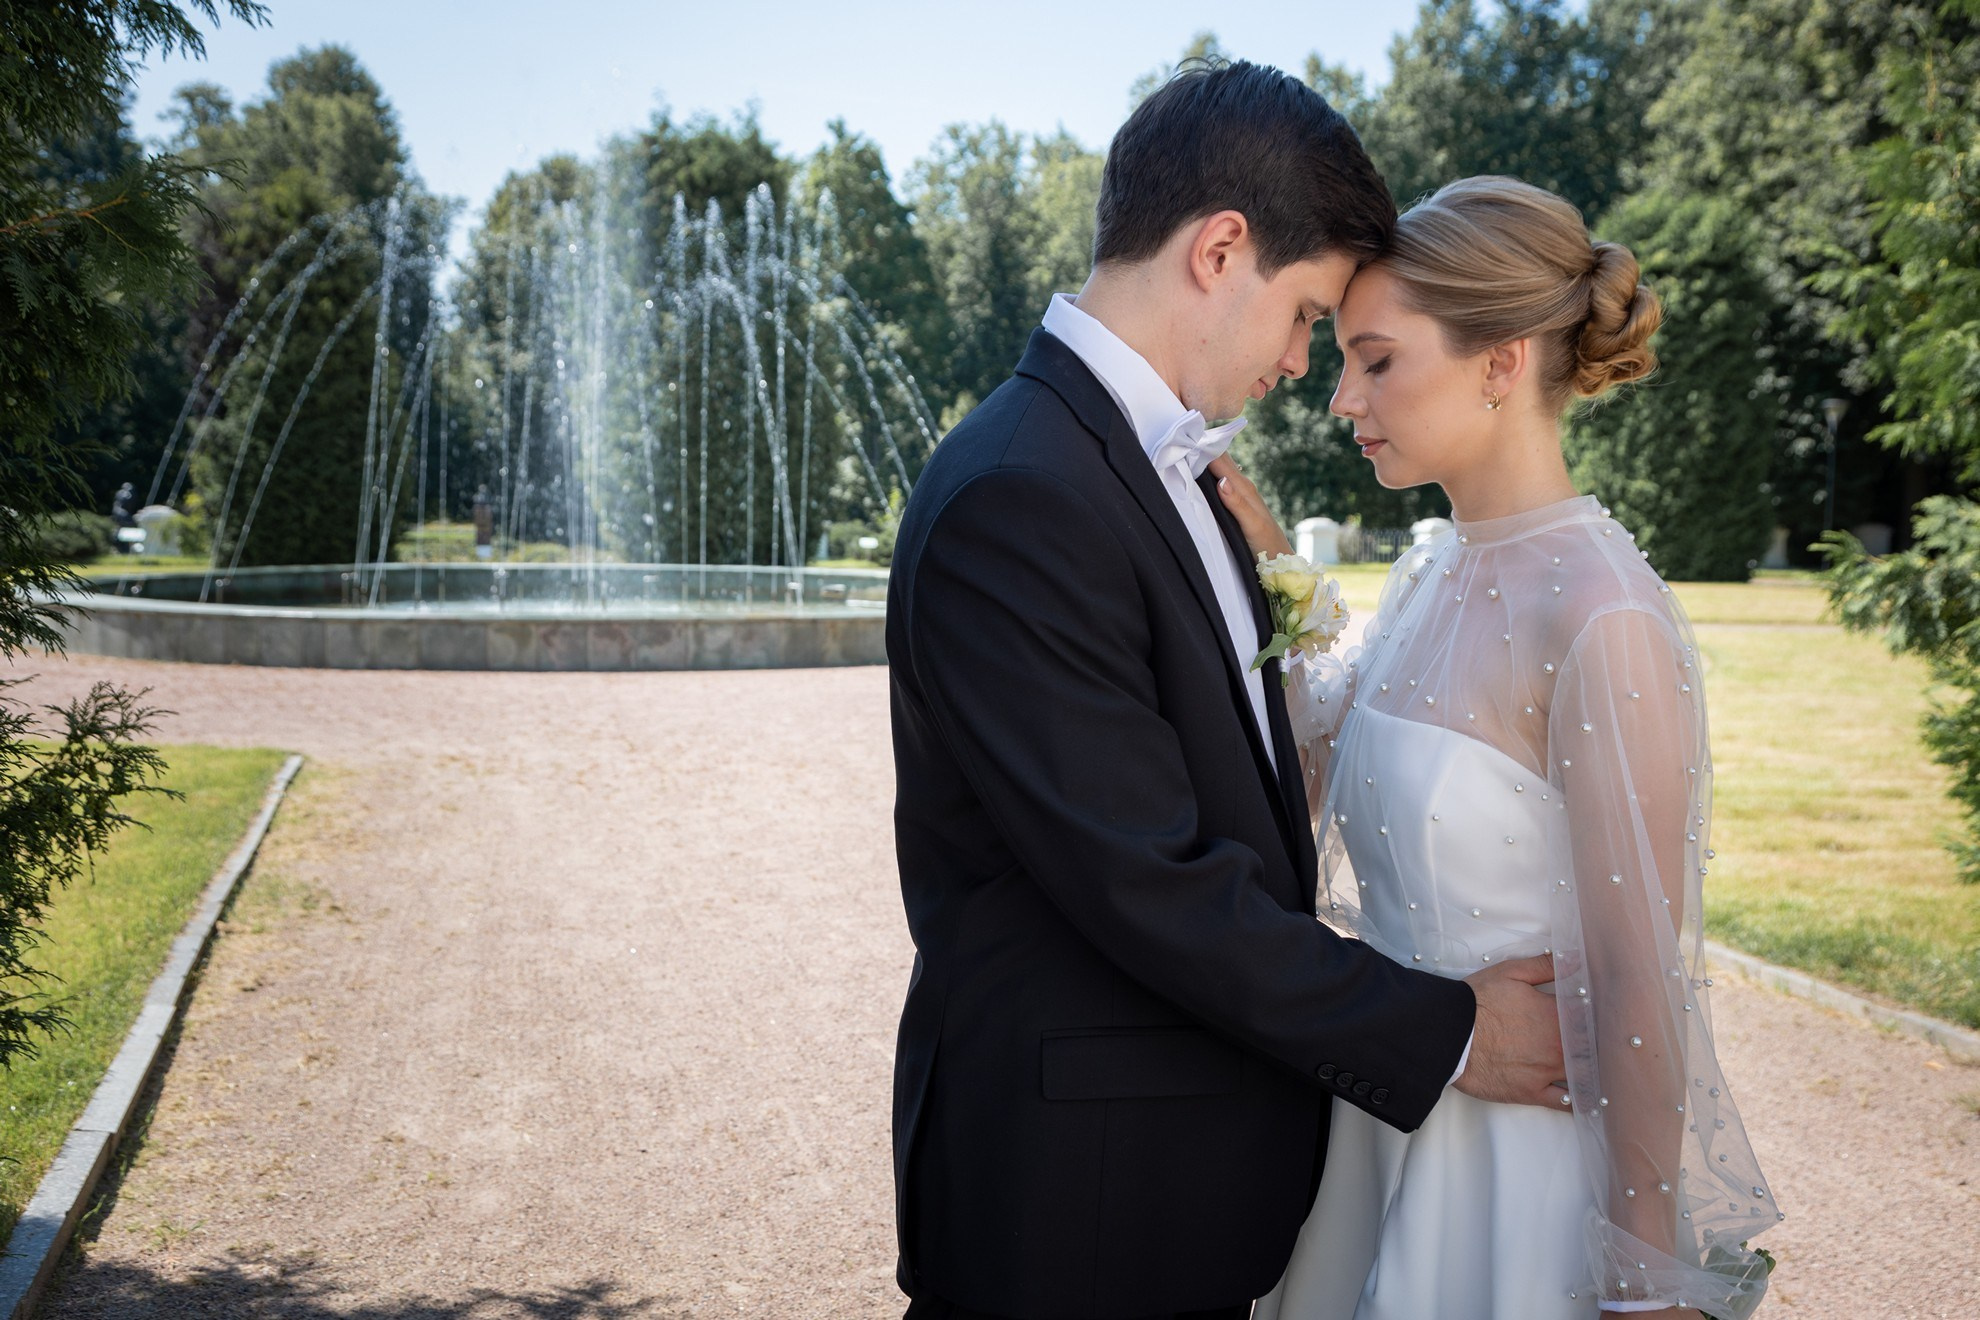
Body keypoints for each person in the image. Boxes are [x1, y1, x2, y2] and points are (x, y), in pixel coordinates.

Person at [886, 64, 1567, 1320]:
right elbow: (1150, 884)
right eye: (1308, 314)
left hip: (1177, 1189)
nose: (1307, 362)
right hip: (1078, 1214)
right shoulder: (1020, 494)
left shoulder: (1162, 477)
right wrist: (1448, 1031)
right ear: (1220, 250)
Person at [1211, 176, 1780, 1320]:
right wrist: (1269, 554)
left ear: (1502, 362)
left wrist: (1640, 1285)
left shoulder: (1600, 617)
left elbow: (1634, 982)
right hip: (1381, 1127)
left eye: (1376, 360)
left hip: (1513, 1193)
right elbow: (1349, 707)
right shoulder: (1435, 564)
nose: (1340, 398)